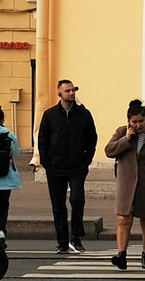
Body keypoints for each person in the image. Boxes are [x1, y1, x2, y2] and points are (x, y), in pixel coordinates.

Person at [36, 79, 99, 255]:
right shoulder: (50, 115)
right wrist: (47, 163)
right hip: (55, 167)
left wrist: (86, 160)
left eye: (73, 90)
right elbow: (43, 140)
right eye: (67, 91)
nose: (71, 93)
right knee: (58, 205)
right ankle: (62, 242)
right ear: (59, 93)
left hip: (77, 166)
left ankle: (76, 237)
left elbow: (92, 138)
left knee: (77, 199)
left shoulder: (84, 114)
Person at [104, 102, 145, 270]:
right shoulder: (121, 133)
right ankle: (121, 255)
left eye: (141, 121)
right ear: (128, 122)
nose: (138, 125)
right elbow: (109, 151)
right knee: (123, 219)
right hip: (126, 184)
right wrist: (126, 139)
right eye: (134, 122)